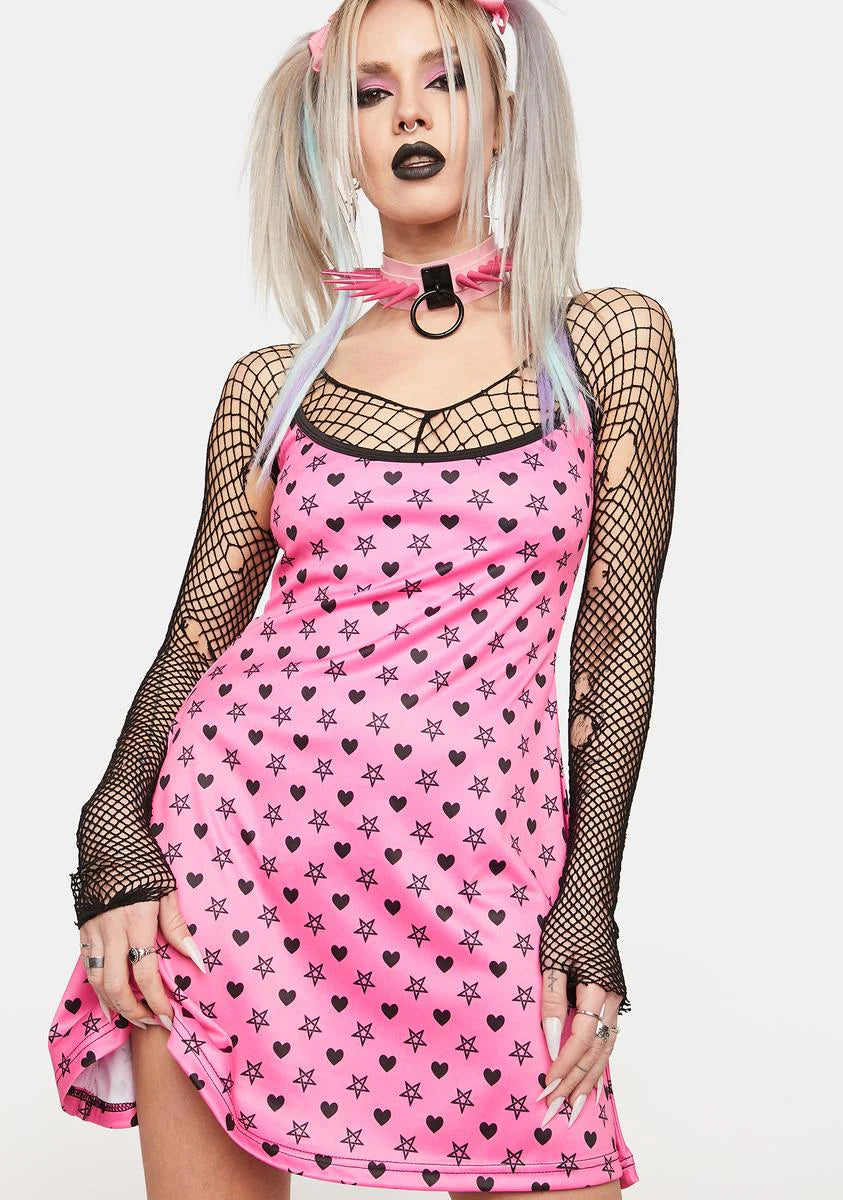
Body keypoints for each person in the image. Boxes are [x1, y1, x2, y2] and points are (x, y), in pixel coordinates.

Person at [47, 2, 678, 1197]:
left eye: (445, 81)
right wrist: (112, 831)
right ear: (338, 138)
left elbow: (613, 647)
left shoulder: (607, 343)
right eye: (371, 93)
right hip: (234, 854)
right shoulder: (270, 389)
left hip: (482, 873)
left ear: (506, 115)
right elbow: (194, 643)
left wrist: (585, 909)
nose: (410, 115)